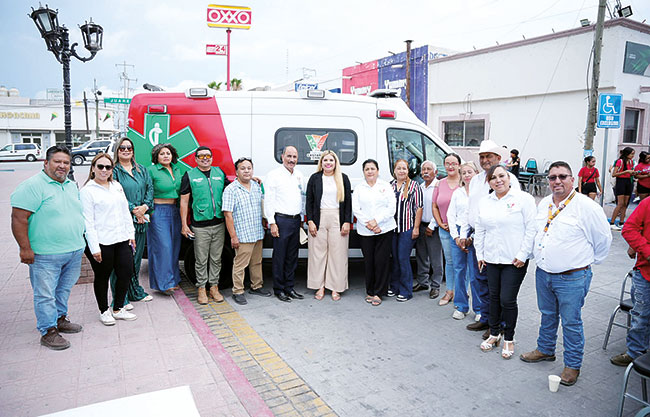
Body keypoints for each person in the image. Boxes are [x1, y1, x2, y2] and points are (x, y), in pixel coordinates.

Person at [520, 161, 612, 386]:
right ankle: (545, 349)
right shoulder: (544, 204)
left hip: (572, 277)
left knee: (571, 322)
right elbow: (537, 232)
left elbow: (603, 240)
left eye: (562, 176)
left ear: (572, 179)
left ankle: (572, 365)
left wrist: (584, 262)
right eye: (552, 177)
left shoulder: (587, 207)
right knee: (547, 314)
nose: (557, 181)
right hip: (544, 273)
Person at [10, 145, 85, 350]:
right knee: (45, 294)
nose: (62, 166)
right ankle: (48, 330)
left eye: (66, 162)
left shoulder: (70, 185)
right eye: (57, 161)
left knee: (63, 289)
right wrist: (25, 248)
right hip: (45, 254)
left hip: (74, 250)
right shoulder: (32, 186)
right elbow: (18, 219)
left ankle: (60, 318)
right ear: (46, 163)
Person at [474, 165, 536, 359]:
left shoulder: (523, 199)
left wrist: (523, 254)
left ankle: (509, 337)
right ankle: (494, 334)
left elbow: (531, 228)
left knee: (507, 299)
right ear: (489, 182)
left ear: (509, 178)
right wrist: (479, 254)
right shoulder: (485, 202)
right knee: (494, 297)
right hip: (491, 258)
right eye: (493, 178)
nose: (498, 180)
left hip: (514, 260)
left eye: (501, 176)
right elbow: (480, 229)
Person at [462, 140, 521, 337]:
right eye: (482, 157)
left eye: (489, 156)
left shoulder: (509, 179)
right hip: (477, 237)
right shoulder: (476, 180)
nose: (485, 160)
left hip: (499, 238)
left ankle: (499, 324)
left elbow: (515, 210)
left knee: (497, 286)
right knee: (480, 280)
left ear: (498, 158)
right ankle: (486, 318)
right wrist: (465, 233)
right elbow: (470, 208)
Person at [81, 154, 138, 325]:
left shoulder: (116, 186)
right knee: (102, 276)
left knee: (126, 272)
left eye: (108, 167)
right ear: (93, 168)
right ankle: (104, 311)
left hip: (121, 238)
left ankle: (118, 308)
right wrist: (94, 248)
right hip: (102, 242)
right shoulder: (87, 191)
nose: (104, 170)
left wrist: (131, 234)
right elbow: (88, 222)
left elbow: (125, 212)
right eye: (100, 166)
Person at [180, 146, 229, 304]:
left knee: (216, 259)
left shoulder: (219, 173)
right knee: (201, 260)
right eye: (201, 156)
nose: (205, 158)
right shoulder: (189, 175)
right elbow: (184, 202)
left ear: (212, 158)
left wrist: (251, 180)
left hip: (219, 223)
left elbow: (232, 189)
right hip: (200, 226)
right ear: (196, 159)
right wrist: (184, 225)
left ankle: (214, 287)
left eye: (208, 156)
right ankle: (201, 289)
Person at [111, 137, 154, 309]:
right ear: (117, 150)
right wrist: (133, 209)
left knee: (136, 260)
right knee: (121, 262)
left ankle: (135, 292)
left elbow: (150, 190)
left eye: (129, 147)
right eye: (122, 148)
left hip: (141, 221)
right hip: (122, 221)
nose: (126, 150)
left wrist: (144, 207)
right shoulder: (114, 171)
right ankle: (120, 298)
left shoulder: (142, 170)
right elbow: (114, 194)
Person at [222, 157, 271, 305]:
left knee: (257, 262)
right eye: (242, 168)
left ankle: (257, 286)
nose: (246, 171)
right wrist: (233, 236)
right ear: (236, 171)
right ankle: (238, 291)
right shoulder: (231, 189)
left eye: (249, 168)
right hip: (242, 234)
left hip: (257, 232)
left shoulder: (256, 186)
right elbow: (228, 215)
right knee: (240, 264)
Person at [306, 151, 352, 301]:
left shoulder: (343, 178)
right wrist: (310, 221)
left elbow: (348, 202)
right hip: (318, 217)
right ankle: (319, 286)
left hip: (337, 218)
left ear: (335, 162)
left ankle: (335, 287)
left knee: (338, 255)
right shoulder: (314, 178)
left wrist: (347, 221)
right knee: (317, 254)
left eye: (331, 160)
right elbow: (309, 201)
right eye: (325, 160)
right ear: (321, 162)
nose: (328, 163)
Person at [611, 196, 650, 366]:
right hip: (645, 272)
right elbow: (629, 228)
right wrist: (645, 250)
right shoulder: (647, 203)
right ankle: (635, 352)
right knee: (641, 315)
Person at [264, 146, 305, 302]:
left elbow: (302, 198)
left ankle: (289, 287)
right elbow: (269, 200)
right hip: (281, 221)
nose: (291, 160)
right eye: (289, 156)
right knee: (280, 257)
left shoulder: (299, 175)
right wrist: (272, 222)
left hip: (295, 220)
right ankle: (279, 289)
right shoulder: (273, 175)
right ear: (282, 157)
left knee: (292, 257)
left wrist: (301, 219)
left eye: (294, 157)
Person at [353, 159, 396, 306]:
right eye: (367, 169)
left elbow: (391, 207)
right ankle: (370, 291)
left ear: (377, 171)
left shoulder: (385, 186)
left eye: (372, 168)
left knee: (381, 261)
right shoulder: (359, 188)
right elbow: (356, 209)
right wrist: (370, 224)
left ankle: (379, 292)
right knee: (369, 261)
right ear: (363, 172)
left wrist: (377, 221)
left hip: (384, 229)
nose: (370, 171)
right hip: (365, 231)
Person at [147, 143, 182, 294]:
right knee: (163, 247)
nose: (166, 156)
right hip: (158, 211)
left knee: (174, 246)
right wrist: (150, 211)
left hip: (175, 211)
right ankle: (164, 284)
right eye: (162, 154)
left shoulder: (177, 169)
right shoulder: (151, 170)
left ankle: (173, 279)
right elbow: (146, 191)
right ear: (156, 156)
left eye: (168, 153)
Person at [448, 161, 481, 320]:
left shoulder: (481, 194)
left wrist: (470, 238)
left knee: (475, 274)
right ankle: (461, 306)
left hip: (475, 234)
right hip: (458, 233)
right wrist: (456, 237)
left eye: (470, 172)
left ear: (476, 173)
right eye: (464, 173)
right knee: (459, 271)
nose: (467, 175)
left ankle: (479, 309)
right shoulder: (458, 193)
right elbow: (450, 215)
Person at [388, 159, 423, 302]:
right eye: (399, 168)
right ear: (394, 170)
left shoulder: (414, 186)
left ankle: (406, 290)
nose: (401, 171)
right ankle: (394, 286)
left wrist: (416, 228)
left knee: (403, 258)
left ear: (408, 171)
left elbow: (419, 208)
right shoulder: (390, 186)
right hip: (392, 228)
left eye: (404, 168)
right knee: (395, 258)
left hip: (407, 228)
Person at [432, 153, 462, 306]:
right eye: (447, 163)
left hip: (461, 231)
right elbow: (434, 206)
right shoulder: (439, 183)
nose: (450, 166)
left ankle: (462, 293)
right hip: (444, 229)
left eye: (453, 163)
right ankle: (449, 291)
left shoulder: (464, 183)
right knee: (449, 262)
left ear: (459, 165)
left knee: (461, 263)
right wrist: (440, 223)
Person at [414, 160, 444, 299]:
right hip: (421, 225)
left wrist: (432, 225)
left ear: (435, 172)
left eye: (429, 169)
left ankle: (435, 286)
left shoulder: (438, 187)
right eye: (423, 169)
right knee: (421, 255)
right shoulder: (420, 187)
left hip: (434, 227)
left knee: (435, 258)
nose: (425, 172)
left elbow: (439, 207)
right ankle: (422, 282)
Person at [610, 147, 636, 231]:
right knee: (620, 203)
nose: (632, 156)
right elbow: (614, 174)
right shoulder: (620, 161)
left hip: (629, 181)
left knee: (625, 203)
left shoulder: (631, 162)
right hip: (621, 182)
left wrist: (633, 173)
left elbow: (630, 172)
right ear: (626, 154)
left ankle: (621, 222)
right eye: (631, 154)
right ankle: (612, 222)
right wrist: (626, 171)